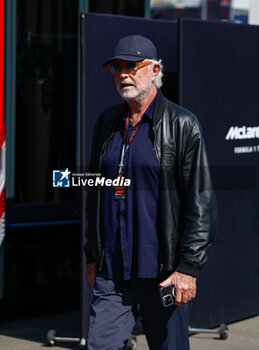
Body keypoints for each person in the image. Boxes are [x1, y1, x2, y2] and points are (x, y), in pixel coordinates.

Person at [85, 35, 217, 350]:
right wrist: (93, 253)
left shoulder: (183, 124)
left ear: (155, 69)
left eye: (132, 65)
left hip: (161, 270)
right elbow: (94, 193)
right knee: (100, 346)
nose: (123, 73)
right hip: (113, 272)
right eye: (116, 67)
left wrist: (188, 267)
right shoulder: (107, 122)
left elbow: (201, 203)